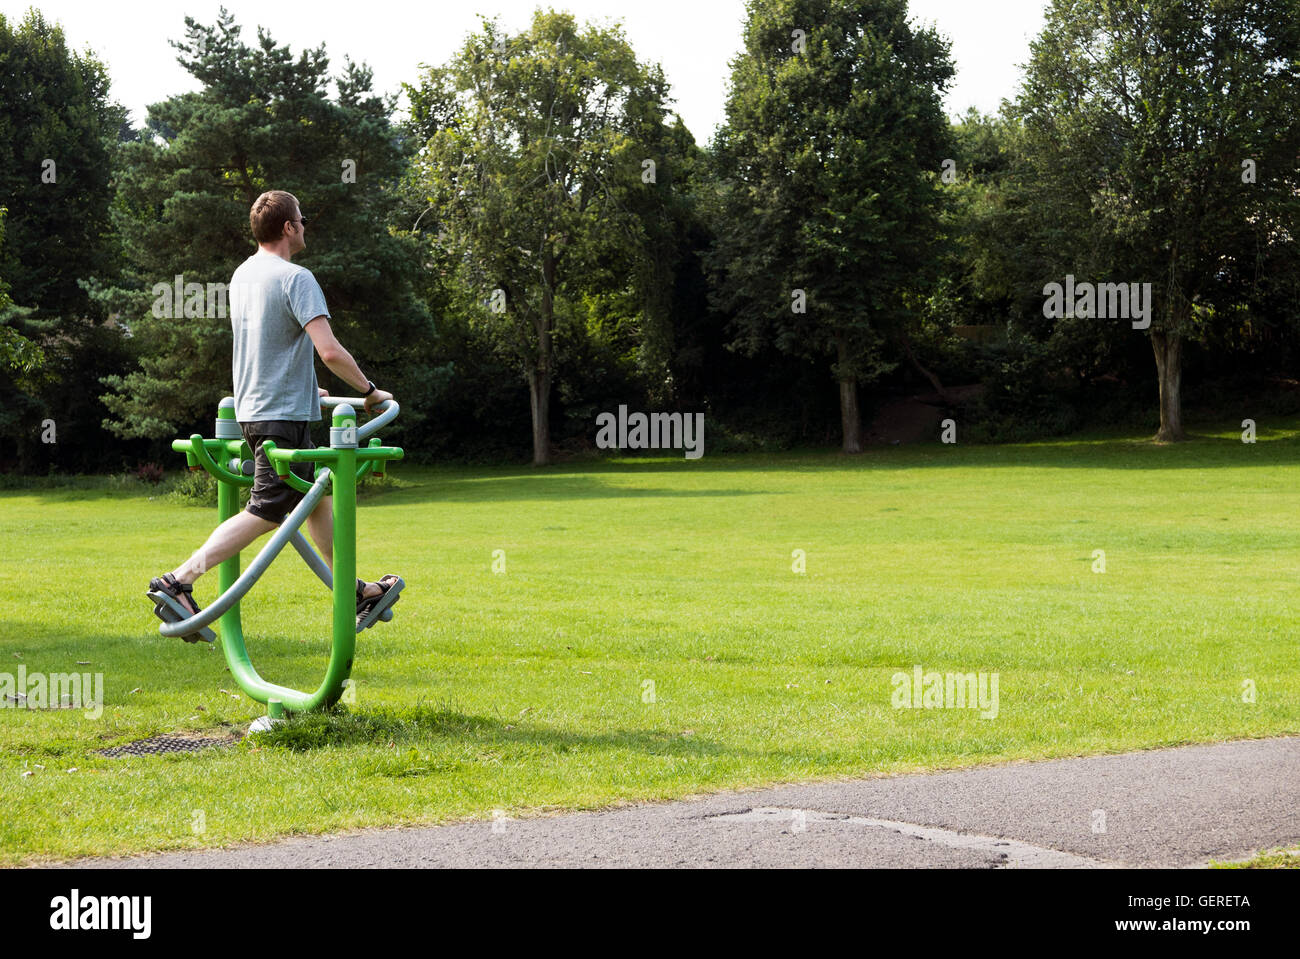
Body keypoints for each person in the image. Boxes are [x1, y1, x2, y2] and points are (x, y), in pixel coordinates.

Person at [148, 190, 401, 640]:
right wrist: (368, 391)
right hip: (280, 417)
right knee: (266, 510)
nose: (305, 226)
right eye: (301, 219)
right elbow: (328, 350)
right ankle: (180, 580)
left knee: (317, 497)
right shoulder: (296, 277)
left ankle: (355, 590)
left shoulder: (244, 275)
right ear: (288, 227)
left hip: (258, 410)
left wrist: (304, 386)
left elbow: (270, 347)